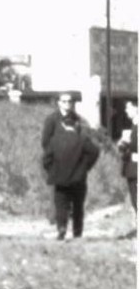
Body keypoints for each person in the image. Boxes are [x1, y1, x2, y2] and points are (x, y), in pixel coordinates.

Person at [40, 92, 100, 240]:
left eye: (70, 102)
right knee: (61, 202)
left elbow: (85, 145)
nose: (67, 104)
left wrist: (84, 166)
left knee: (76, 204)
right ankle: (61, 227)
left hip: (76, 168)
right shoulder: (51, 120)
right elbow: (45, 143)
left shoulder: (77, 119)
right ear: (59, 103)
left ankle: (74, 232)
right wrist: (54, 164)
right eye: (64, 101)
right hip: (59, 166)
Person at [118, 98, 138, 217]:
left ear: (136, 107)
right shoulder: (134, 125)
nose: (126, 111)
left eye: (128, 107)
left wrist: (127, 142)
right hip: (132, 169)